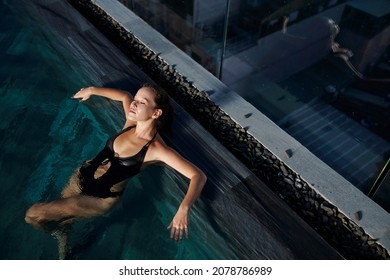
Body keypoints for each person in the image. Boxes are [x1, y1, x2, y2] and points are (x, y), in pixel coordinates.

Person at [25, 84, 207, 258]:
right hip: (80, 177)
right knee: (61, 214)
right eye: (137, 99)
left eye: (142, 102)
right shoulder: (130, 124)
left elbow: (198, 175)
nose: (134, 103)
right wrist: (92, 90)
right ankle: (62, 235)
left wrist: (183, 209)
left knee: (33, 214)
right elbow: (124, 96)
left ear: (156, 113)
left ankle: (59, 232)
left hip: (98, 198)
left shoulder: (156, 149)